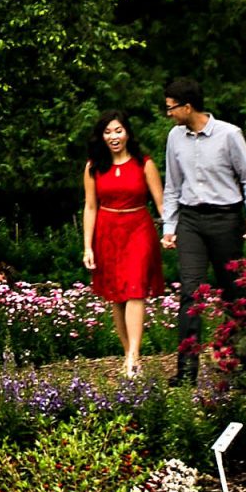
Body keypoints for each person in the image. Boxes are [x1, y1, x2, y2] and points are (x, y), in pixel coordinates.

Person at [159, 76, 246, 385]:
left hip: (225, 220)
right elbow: (172, 186)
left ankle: (244, 366)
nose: (168, 113)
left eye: (171, 107)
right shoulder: (174, 138)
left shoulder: (229, 135)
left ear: (187, 106)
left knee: (233, 293)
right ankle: (186, 372)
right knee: (190, 294)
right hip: (191, 221)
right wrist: (170, 226)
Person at [80, 111, 164, 378]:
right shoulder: (93, 167)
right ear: (101, 136)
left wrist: (172, 232)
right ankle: (127, 351)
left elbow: (161, 203)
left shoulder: (144, 164)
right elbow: (90, 207)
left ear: (127, 133)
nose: (113, 137)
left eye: (118, 131)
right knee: (116, 296)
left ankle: (134, 357)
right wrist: (87, 246)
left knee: (135, 289)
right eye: (108, 132)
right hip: (107, 231)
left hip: (138, 228)